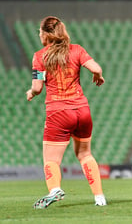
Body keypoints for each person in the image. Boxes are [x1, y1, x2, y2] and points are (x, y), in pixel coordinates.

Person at [26, 16, 107, 209]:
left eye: (40, 32)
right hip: (82, 110)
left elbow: (37, 88)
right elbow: (96, 67)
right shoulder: (77, 50)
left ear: (46, 34)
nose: (39, 35)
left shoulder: (39, 57)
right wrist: (98, 76)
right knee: (86, 154)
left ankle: (55, 190)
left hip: (58, 112)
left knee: (51, 159)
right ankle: (100, 197)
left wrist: (31, 92)